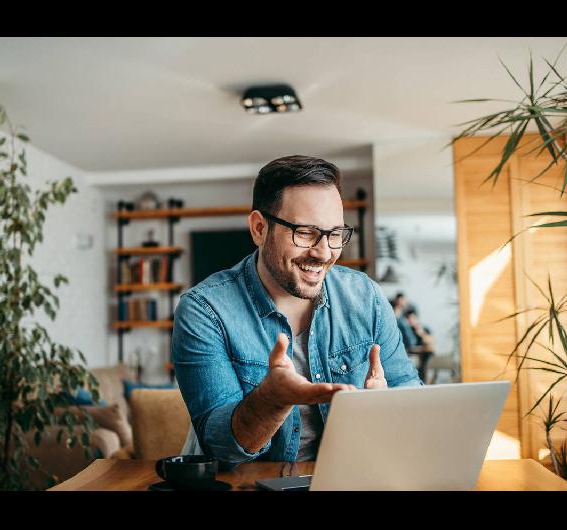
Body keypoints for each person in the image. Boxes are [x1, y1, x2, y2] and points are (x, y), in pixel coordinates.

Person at [172, 155, 423, 466]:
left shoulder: (365, 296)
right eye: (305, 233)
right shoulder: (204, 311)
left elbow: (409, 391)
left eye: (335, 234)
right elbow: (220, 449)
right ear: (259, 228)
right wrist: (272, 401)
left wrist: (388, 407)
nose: (323, 252)